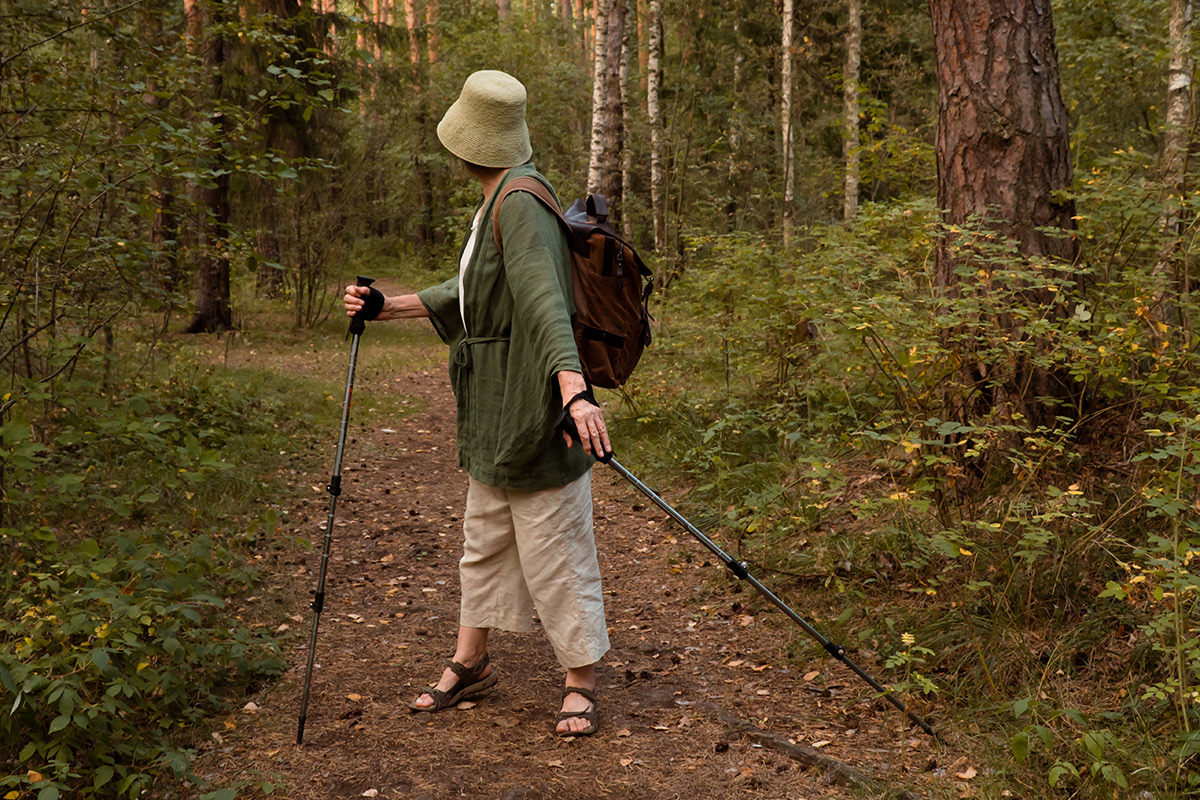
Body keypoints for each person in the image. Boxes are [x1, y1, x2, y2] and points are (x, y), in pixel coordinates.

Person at [343, 70, 611, 737]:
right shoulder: (497, 200)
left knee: (554, 540)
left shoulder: (519, 203)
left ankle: (580, 680)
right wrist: (388, 306)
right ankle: (473, 664)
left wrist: (572, 389)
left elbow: (545, 300)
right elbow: (468, 290)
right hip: (493, 403)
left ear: (469, 142)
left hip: (531, 396)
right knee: (486, 538)